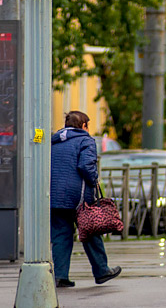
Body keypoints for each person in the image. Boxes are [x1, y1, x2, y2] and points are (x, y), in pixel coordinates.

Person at [50, 110, 121, 288]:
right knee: (90, 231)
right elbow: (86, 165)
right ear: (84, 126)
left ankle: (60, 276)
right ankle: (102, 271)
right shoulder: (85, 140)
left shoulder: (54, 141)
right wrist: (94, 180)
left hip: (55, 196)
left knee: (60, 235)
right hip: (78, 197)